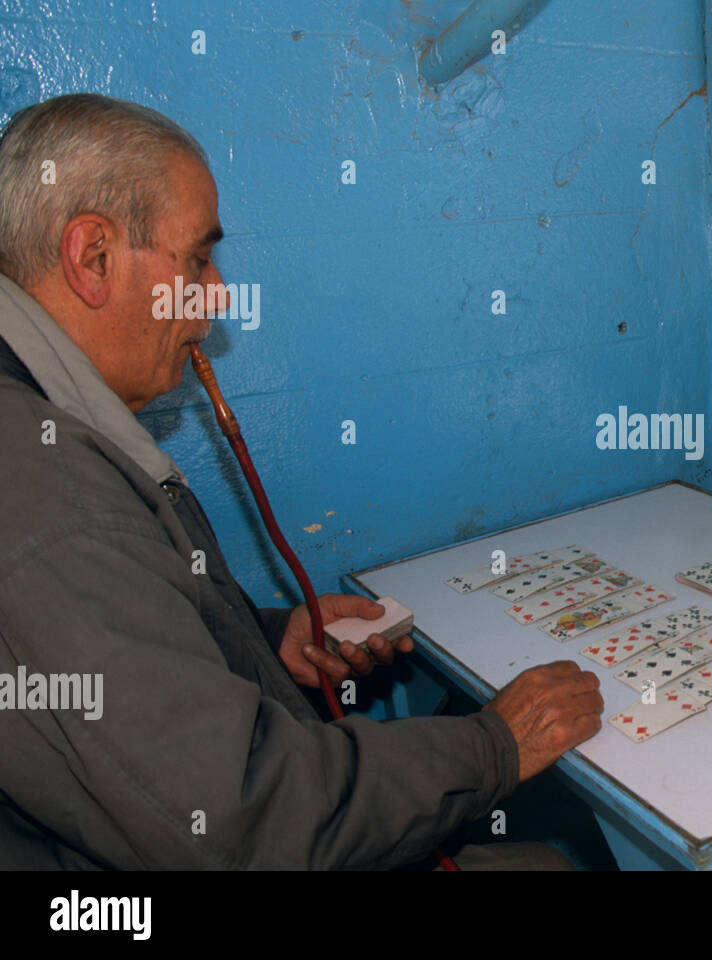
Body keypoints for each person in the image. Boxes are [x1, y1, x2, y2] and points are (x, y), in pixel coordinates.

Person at [0, 93, 603, 869]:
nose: (215, 297)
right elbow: (245, 819)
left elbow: (116, 638)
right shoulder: (58, 504)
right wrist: (494, 746)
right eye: (196, 259)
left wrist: (253, 637)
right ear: (93, 258)